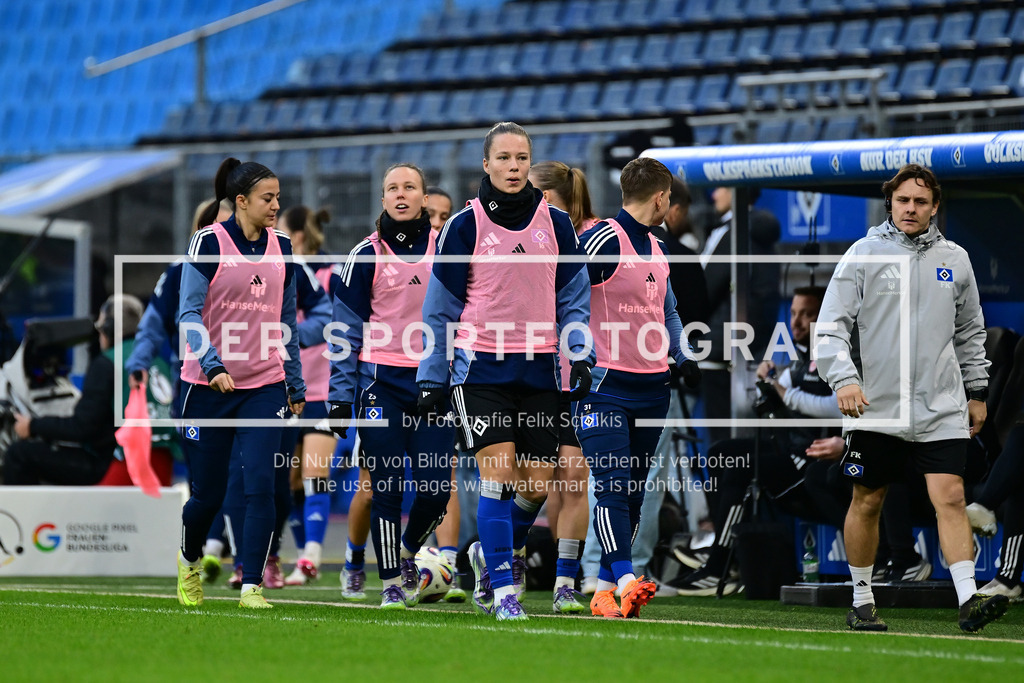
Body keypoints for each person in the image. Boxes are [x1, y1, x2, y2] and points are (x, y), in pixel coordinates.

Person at [816, 163, 1008, 633]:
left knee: (952, 496)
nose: (911, 208)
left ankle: (969, 600)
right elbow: (830, 327)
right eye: (903, 200)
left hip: (940, 406)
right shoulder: (864, 253)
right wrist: (844, 380)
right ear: (891, 203)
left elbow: (970, 333)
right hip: (876, 407)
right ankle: (862, 601)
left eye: (921, 201)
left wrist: (977, 391)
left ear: (935, 206)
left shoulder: (956, 259)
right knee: (868, 500)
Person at [417, 122, 593, 621]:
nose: (513, 167)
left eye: (521, 158)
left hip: (540, 372)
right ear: (486, 164)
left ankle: (485, 553)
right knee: (496, 478)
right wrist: (432, 377)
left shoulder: (556, 224)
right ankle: (503, 591)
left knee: (535, 486)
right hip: (480, 372)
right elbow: (440, 309)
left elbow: (573, 299)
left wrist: (579, 354)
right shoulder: (464, 225)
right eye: (504, 158)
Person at [175, 157, 306, 610]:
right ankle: (188, 560)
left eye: (278, 197)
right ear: (242, 201)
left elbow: (287, 320)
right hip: (207, 387)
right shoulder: (209, 241)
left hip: (265, 386)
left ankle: (252, 585)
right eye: (268, 198)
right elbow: (188, 313)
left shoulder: (282, 247)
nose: (276, 205)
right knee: (208, 496)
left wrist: (294, 383)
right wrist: (213, 366)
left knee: (262, 485)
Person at [576, 157, 700, 619]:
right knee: (611, 486)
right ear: (662, 198)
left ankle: (604, 590)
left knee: (632, 493)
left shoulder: (657, 248)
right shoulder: (602, 240)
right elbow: (563, 298)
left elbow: (668, 312)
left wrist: (684, 357)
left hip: (653, 389)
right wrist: (576, 355)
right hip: (604, 387)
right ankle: (628, 580)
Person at [330, 163, 455, 609]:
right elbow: (344, 332)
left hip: (435, 387)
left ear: (424, 198)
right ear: (383, 199)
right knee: (386, 488)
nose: (401, 194)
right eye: (392, 188)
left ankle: (405, 553)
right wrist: (340, 397)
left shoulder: (448, 249)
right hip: (381, 386)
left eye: (409, 187)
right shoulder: (365, 254)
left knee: (437, 491)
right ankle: (390, 585)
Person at [669, 286, 848, 595]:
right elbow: (777, 398)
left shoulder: (837, 357)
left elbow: (835, 406)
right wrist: (767, 381)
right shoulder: (799, 360)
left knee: (740, 468)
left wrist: (782, 392)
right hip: (790, 450)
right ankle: (726, 554)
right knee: (720, 453)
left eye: (807, 315)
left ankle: (719, 566)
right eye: (793, 313)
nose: (797, 322)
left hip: (813, 460)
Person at [528, 160, 599, 613]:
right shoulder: (530, 234)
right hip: (536, 373)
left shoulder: (592, 238)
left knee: (573, 477)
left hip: (580, 374)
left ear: (549, 198)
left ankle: (565, 580)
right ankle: (504, 561)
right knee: (540, 483)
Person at [4, 295, 142, 486]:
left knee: (19, 454)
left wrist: (33, 426)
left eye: (100, 327)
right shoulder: (154, 360)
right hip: (150, 458)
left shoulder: (107, 363)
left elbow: (81, 428)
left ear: (110, 329)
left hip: (109, 463)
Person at [275, 206, 340, 586]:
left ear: (296, 236)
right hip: (284, 391)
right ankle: (302, 557)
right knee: (292, 480)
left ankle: (312, 555)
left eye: (281, 229)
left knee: (316, 472)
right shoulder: (276, 271)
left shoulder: (331, 275)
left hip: (322, 388)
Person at [700, 185, 781, 460]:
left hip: (717, 350)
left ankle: (723, 489)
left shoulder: (732, 233)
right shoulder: (762, 233)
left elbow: (705, 290)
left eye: (720, 188)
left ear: (736, 190)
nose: (714, 195)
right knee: (745, 441)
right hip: (753, 349)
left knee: (721, 443)